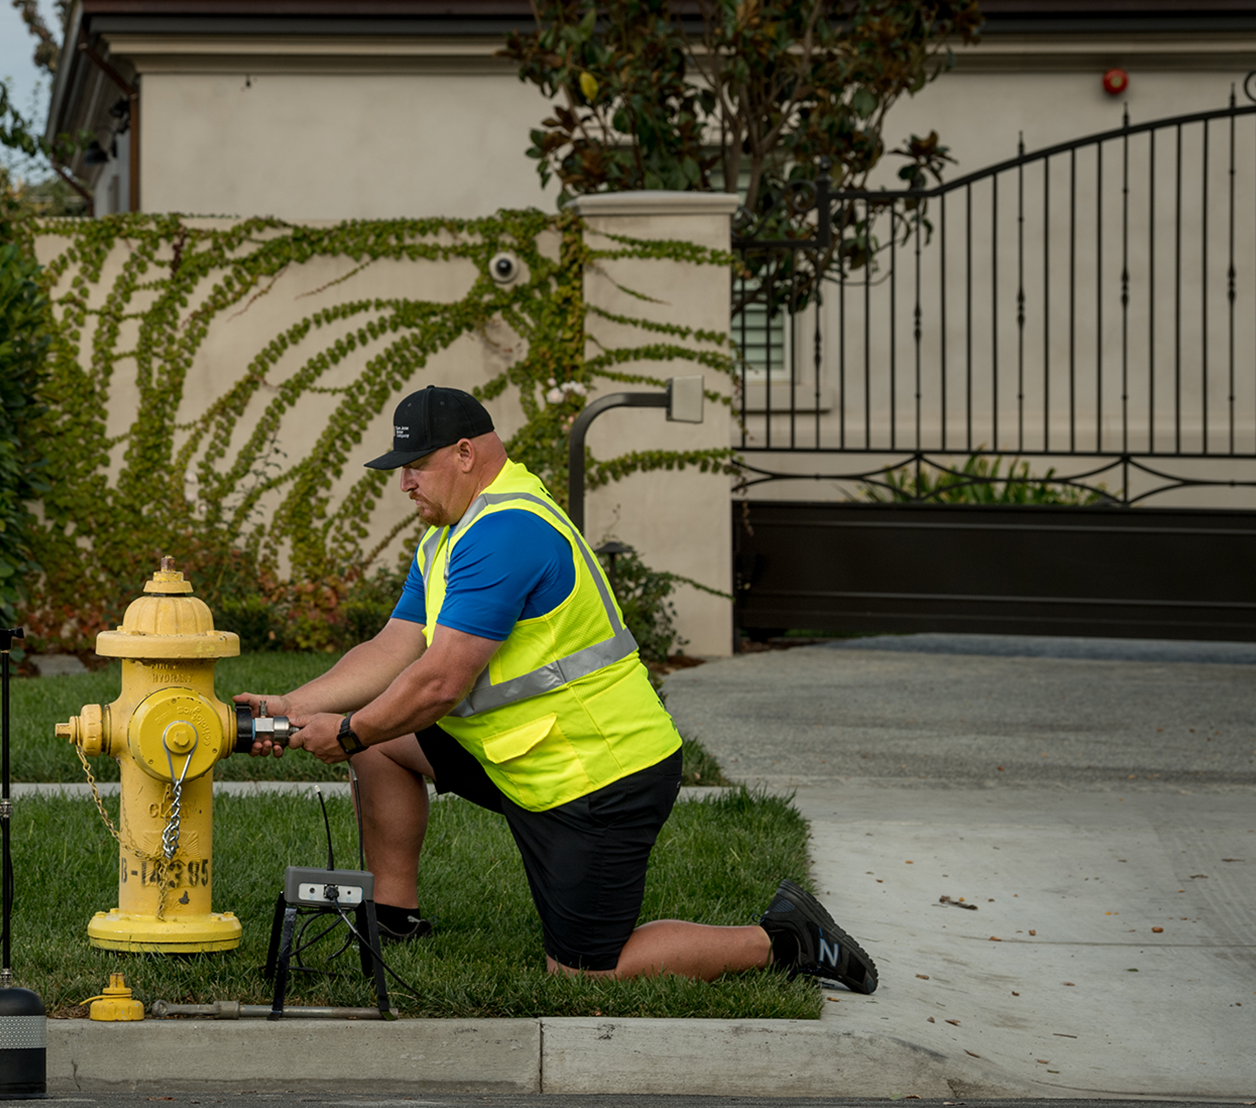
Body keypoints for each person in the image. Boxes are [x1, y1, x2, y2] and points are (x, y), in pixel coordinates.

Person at [237, 385, 876, 992]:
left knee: (584, 973)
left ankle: (785, 939)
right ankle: (394, 915)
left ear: (465, 455)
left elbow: (438, 683)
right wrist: (293, 707)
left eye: (416, 466)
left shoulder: (504, 532)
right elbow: (394, 646)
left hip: (599, 778)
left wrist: (347, 731)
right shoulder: (447, 536)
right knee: (380, 744)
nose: (403, 483)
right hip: (523, 757)